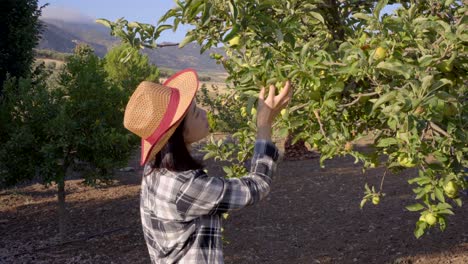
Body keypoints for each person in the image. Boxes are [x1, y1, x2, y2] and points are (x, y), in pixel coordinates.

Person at [123, 68, 292, 263]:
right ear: (179, 134)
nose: (205, 112)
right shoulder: (185, 186)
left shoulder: (155, 170)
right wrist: (264, 124)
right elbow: (258, 185)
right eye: (195, 113)